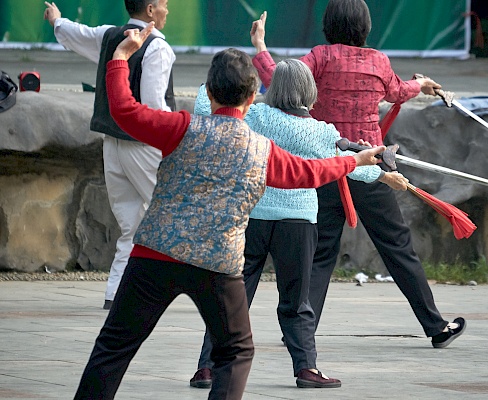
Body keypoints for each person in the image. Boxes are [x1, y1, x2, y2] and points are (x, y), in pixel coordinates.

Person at [72, 23, 388, 400]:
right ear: (254, 95)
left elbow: (124, 111)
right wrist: (356, 161)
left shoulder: (181, 127)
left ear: (207, 92)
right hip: (217, 264)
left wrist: (121, 57)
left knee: (113, 348)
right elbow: (311, 172)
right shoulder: (261, 150)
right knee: (236, 351)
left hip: (154, 254)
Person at [250, 0, 467, 349]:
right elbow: (397, 91)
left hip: (326, 166)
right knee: (397, 247)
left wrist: (260, 45)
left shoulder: (320, 57)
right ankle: (435, 325)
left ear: (328, 24)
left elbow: (279, 81)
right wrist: (421, 84)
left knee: (321, 253)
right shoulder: (378, 61)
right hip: (371, 167)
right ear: (365, 26)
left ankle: (301, 330)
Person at [190, 59, 409, 389]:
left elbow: (207, 104)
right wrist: (384, 175)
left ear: (273, 88)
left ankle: (206, 368)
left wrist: (220, 81)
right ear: (310, 91)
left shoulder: (256, 116)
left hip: (254, 218)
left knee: (233, 298)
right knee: (296, 302)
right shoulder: (323, 133)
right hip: (299, 223)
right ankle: (306, 368)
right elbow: (350, 166)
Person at [43, 0, 175, 310]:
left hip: (112, 143)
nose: (169, 10)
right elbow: (155, 106)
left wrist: (57, 20)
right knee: (170, 212)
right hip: (143, 145)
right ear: (152, 10)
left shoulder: (109, 35)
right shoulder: (157, 48)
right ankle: (188, 289)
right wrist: (178, 137)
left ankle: (116, 295)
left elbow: (76, 33)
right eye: (166, 4)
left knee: (131, 224)